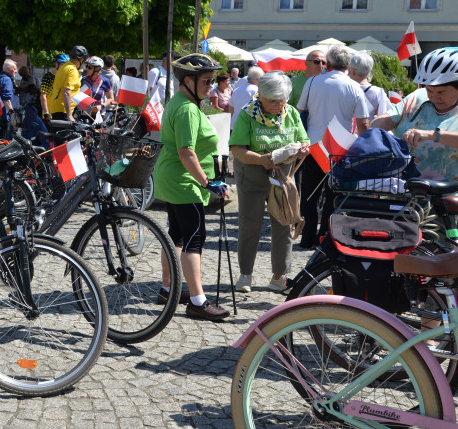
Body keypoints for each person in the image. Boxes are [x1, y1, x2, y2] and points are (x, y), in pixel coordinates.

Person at [152, 53, 230, 321]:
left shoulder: (181, 102)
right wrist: (207, 183)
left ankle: (168, 288)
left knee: (176, 235)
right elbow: (187, 151)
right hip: (184, 181)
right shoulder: (186, 108)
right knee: (194, 238)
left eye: (211, 80)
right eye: (206, 81)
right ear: (188, 81)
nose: (211, 85)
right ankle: (198, 302)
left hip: (172, 177)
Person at [228, 72, 310, 293]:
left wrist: (302, 148)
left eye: (282, 99)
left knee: (284, 223)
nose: (278, 104)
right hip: (252, 174)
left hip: (282, 178)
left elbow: (304, 140)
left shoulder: (290, 113)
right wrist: (261, 160)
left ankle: (279, 277)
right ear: (261, 96)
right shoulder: (247, 115)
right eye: (273, 100)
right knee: (250, 225)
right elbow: (237, 149)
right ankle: (245, 275)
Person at [370, 47, 458, 184]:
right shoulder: (418, 96)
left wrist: (433, 135)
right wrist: (372, 133)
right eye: (429, 90)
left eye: (441, 92)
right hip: (405, 188)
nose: (434, 97)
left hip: (450, 191)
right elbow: (387, 118)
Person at [296, 45, 370, 248]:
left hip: (314, 145)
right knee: (334, 195)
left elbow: (299, 110)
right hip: (340, 148)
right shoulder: (354, 86)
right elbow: (363, 123)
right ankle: (326, 237)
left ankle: (307, 236)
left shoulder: (311, 82)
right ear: (348, 66)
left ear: (327, 64)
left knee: (309, 194)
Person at [48, 46, 85, 121]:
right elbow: (67, 92)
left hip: (56, 108)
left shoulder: (63, 67)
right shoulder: (72, 70)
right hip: (63, 111)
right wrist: (69, 115)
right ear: (81, 59)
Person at [349, 53, 390, 120]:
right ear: (369, 71)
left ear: (352, 71)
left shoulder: (345, 89)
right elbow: (384, 117)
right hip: (369, 129)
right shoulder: (378, 93)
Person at [0, 59, 17, 138]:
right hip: (4, 116)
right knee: (4, 141)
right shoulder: (7, 80)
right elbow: (7, 100)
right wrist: (13, 116)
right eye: (15, 69)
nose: (16, 71)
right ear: (10, 70)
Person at [39, 54, 67, 120]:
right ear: (56, 64)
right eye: (63, 64)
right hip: (50, 113)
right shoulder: (48, 76)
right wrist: (46, 112)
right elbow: (43, 95)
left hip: (62, 112)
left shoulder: (66, 77)